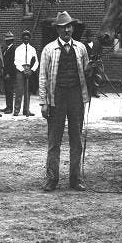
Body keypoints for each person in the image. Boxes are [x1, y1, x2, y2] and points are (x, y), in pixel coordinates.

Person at [38, 11, 94, 192]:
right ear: (57, 30)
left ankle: (75, 179)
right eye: (63, 27)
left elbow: (86, 72)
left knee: (76, 140)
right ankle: (51, 179)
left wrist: (93, 70)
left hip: (76, 98)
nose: (67, 30)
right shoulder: (48, 50)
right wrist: (44, 102)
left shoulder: (81, 48)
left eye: (69, 26)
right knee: (54, 141)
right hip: (56, 99)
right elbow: (43, 78)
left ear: (73, 28)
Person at [13, 30, 38, 117]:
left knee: (28, 91)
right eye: (24, 39)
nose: (26, 40)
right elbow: (16, 62)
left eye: (27, 39)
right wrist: (22, 70)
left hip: (29, 69)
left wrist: (31, 70)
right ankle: (16, 110)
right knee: (19, 91)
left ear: (29, 39)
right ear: (22, 39)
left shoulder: (32, 49)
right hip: (20, 70)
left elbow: (36, 62)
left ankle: (26, 109)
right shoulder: (18, 49)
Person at [1, 31, 16, 113]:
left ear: (11, 41)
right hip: (5, 73)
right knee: (7, 91)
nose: (7, 41)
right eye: (6, 40)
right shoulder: (6, 49)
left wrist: (8, 73)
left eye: (9, 40)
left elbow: (12, 63)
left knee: (10, 91)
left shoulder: (13, 49)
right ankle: (7, 106)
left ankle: (10, 108)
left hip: (10, 74)